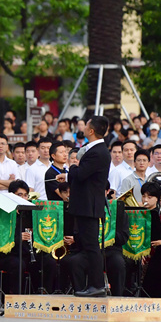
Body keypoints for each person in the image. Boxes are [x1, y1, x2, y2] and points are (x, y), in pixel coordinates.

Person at [54, 116, 110, 297]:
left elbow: (82, 174)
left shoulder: (97, 151)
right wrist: (70, 175)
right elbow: (83, 176)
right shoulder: (96, 149)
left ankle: (97, 285)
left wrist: (73, 167)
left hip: (89, 205)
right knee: (89, 245)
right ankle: (94, 285)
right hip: (86, 204)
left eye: (87, 125)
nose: (84, 127)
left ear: (92, 130)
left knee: (92, 246)